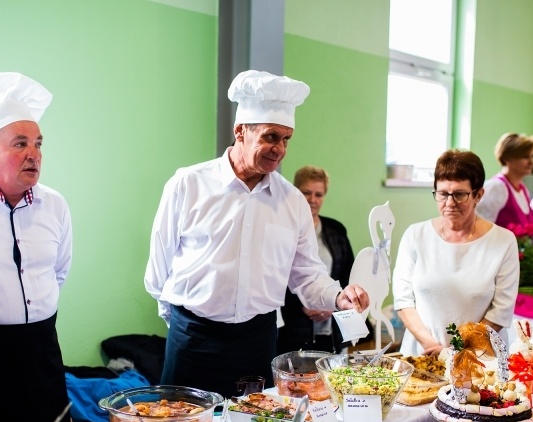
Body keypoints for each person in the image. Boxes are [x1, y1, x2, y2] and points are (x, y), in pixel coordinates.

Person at [144, 70, 369, 398]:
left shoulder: (292, 201)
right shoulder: (188, 184)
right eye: (270, 136)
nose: (279, 149)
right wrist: (183, 323)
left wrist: (339, 297)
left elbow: (307, 275)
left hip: (258, 341)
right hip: (193, 340)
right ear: (240, 131)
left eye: (286, 139)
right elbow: (158, 272)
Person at [0, 72, 73, 422]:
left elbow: (58, 271)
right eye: (21, 143)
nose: (34, 154)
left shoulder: (54, 204)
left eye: (39, 144)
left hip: (42, 353)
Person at [393, 150, 520, 356]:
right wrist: (433, 347)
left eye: (460, 194)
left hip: (478, 357)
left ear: (478, 195)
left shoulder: (503, 241)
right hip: (424, 353)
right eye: (443, 194)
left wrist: (457, 351)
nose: (450, 203)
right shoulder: (415, 235)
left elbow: (501, 310)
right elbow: (403, 299)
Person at [277, 166, 355, 354]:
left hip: (331, 327)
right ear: (296, 192)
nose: (312, 200)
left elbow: (348, 274)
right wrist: (303, 305)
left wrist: (333, 302)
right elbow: (278, 277)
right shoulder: (281, 227)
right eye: (306, 193)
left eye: (319, 194)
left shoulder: (336, 230)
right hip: (293, 327)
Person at [476, 133, 533, 228]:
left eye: (532, 156)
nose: (531, 162)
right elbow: (480, 227)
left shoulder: (523, 189)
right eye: (525, 157)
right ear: (507, 158)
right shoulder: (496, 187)